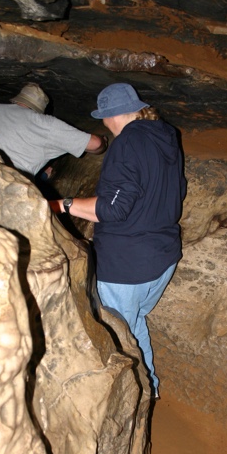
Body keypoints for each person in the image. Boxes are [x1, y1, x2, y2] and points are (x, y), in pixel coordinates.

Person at [51, 83, 186, 400]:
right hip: (162, 257)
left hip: (127, 266)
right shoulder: (166, 136)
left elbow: (112, 208)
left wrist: (63, 204)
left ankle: (134, 395)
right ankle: (148, 386)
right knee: (133, 322)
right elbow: (174, 193)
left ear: (110, 116)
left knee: (119, 331)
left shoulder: (127, 144)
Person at [0, 83, 108, 178]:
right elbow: (94, 144)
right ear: (39, 109)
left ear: (18, 99)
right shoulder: (43, 123)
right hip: (3, 187)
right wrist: (103, 141)